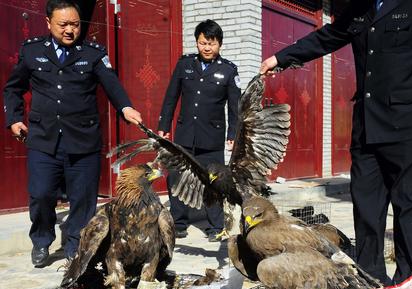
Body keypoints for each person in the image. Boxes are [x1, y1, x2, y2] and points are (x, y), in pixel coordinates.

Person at [261, 0, 412, 286]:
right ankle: (372, 277)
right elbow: (326, 37)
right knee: (366, 204)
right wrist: (281, 58)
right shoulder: (358, 8)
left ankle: (405, 277)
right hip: (368, 125)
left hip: (410, 125)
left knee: (410, 203)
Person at [3, 0, 142, 268]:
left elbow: (112, 84)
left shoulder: (92, 53)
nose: (70, 30)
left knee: (83, 198)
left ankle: (75, 244)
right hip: (44, 139)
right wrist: (14, 119)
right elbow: (12, 89)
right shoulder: (32, 51)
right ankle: (42, 240)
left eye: (75, 25)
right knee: (42, 194)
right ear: (48, 23)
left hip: (83, 139)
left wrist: (126, 107)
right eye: (63, 24)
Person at [157, 19, 240, 242]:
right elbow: (171, 98)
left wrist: (233, 134)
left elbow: (235, 107)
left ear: (219, 44)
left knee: (213, 182)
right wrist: (164, 126)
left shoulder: (228, 70)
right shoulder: (184, 65)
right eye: (202, 43)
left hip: (211, 137)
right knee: (177, 178)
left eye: (211, 43)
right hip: (185, 135)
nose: (206, 48)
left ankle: (216, 227)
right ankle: (179, 223)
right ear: (197, 42)